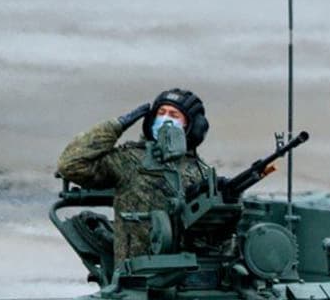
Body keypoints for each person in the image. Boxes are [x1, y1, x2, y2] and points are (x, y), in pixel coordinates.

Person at [57, 89, 215, 261]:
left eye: (174, 115)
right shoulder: (130, 159)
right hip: (137, 269)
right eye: (161, 113)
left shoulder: (201, 171)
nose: (165, 119)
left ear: (191, 125)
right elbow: (70, 165)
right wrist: (116, 126)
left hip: (191, 268)